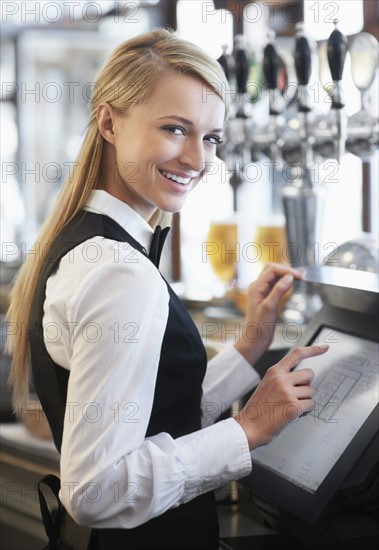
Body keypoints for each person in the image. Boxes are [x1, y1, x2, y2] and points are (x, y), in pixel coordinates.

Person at [7, 28, 328, 549]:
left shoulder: (91, 244)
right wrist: (246, 429)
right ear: (109, 122)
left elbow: (156, 412)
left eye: (210, 137)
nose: (197, 160)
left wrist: (248, 345)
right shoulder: (120, 273)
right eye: (176, 129)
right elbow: (95, 491)